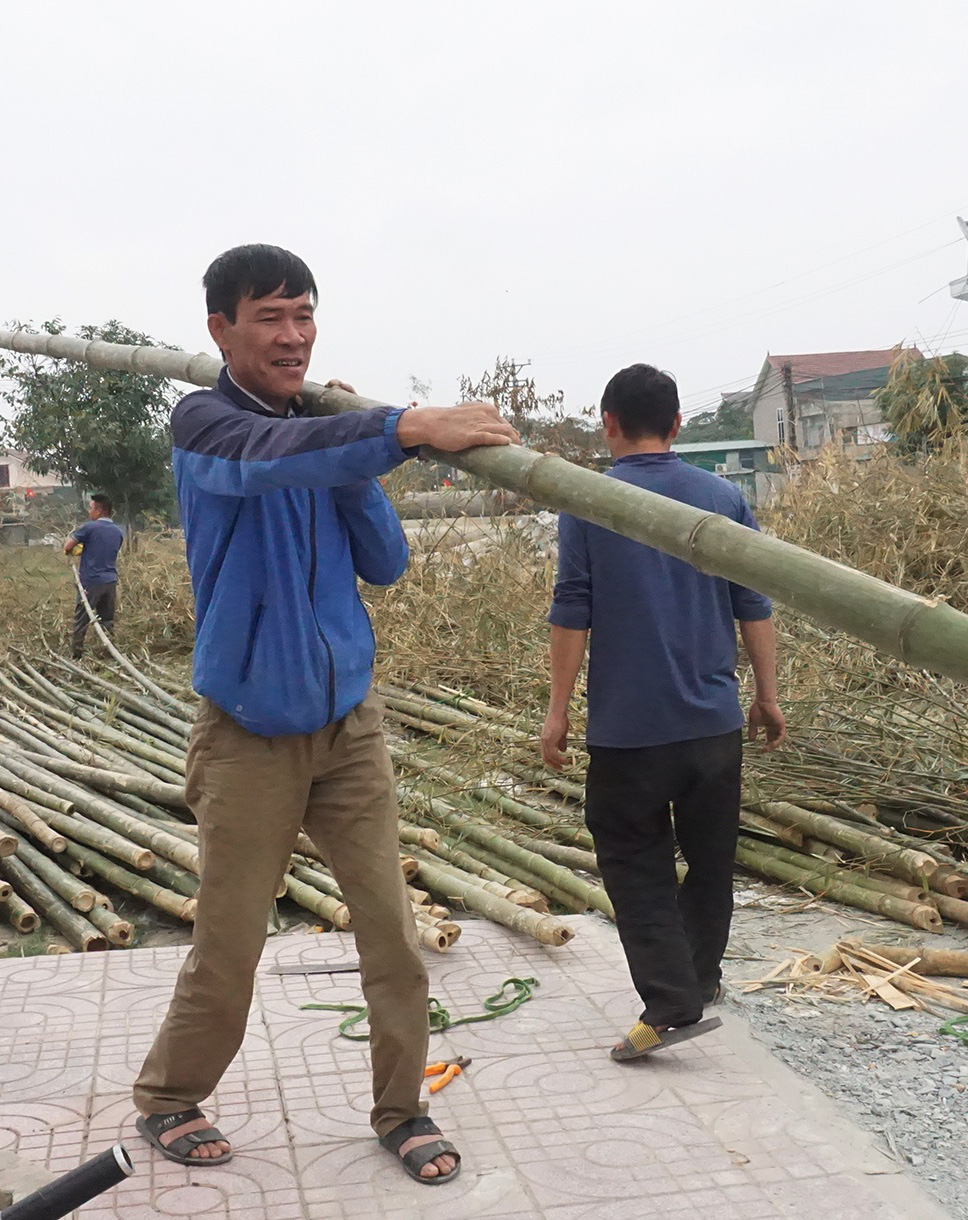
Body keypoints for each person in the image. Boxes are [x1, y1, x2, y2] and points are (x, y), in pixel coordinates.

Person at [131, 244, 518, 1184]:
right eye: (271, 317)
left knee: (392, 933)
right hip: (246, 736)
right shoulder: (206, 425)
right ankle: (170, 1097)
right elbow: (264, 461)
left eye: (304, 315)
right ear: (221, 327)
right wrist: (403, 426)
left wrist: (359, 452)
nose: (294, 335)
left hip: (350, 727)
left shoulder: (325, 434)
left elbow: (385, 563)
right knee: (231, 943)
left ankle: (402, 1109)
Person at [539, 363, 786, 1063]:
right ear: (677, 425)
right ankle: (698, 981)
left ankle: (673, 998)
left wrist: (557, 711)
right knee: (711, 859)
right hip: (714, 722)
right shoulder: (721, 497)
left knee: (633, 860)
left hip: (629, 730)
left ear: (607, 423)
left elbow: (572, 608)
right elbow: (754, 603)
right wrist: (765, 696)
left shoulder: (588, 502)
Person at [62, 493, 124, 659]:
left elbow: (68, 546)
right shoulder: (118, 532)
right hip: (110, 581)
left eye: (91, 508)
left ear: (98, 510)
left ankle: (77, 655)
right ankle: (109, 653)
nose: (89, 512)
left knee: (81, 619)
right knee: (107, 620)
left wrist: (73, 549)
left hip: (91, 582)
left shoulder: (89, 528)